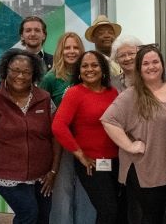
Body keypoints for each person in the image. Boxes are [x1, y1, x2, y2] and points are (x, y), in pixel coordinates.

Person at [0, 50, 60, 224]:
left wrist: (53, 171)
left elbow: (55, 137)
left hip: (42, 173)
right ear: (5, 70)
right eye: (15, 70)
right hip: (4, 173)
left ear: (34, 74)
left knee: (43, 217)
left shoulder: (44, 99)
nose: (20, 76)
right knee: (29, 213)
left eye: (26, 72)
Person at [102, 46, 166, 224]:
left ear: (163, 64)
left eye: (155, 62)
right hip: (145, 167)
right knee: (152, 217)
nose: (151, 67)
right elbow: (108, 120)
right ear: (139, 68)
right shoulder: (131, 95)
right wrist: (129, 145)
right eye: (146, 63)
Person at [53, 51, 122, 224]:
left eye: (94, 65)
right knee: (108, 210)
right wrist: (80, 154)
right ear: (78, 71)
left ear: (103, 69)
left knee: (115, 211)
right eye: (84, 66)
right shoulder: (74, 93)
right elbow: (58, 126)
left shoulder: (113, 92)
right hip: (92, 164)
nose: (89, 69)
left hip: (117, 161)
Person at [41, 32, 84, 105]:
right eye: (67, 48)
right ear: (60, 51)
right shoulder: (49, 79)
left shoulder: (87, 76)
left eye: (76, 48)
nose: (72, 51)